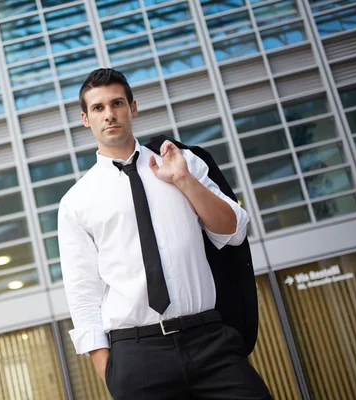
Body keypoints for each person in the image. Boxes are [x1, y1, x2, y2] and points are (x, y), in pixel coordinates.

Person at [57, 68, 271, 399]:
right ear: (86, 119)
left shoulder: (181, 161)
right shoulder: (76, 202)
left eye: (117, 103)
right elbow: (83, 293)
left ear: (133, 108)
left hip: (209, 340)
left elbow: (233, 231)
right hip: (137, 355)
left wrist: (184, 181)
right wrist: (109, 369)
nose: (109, 114)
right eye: (98, 108)